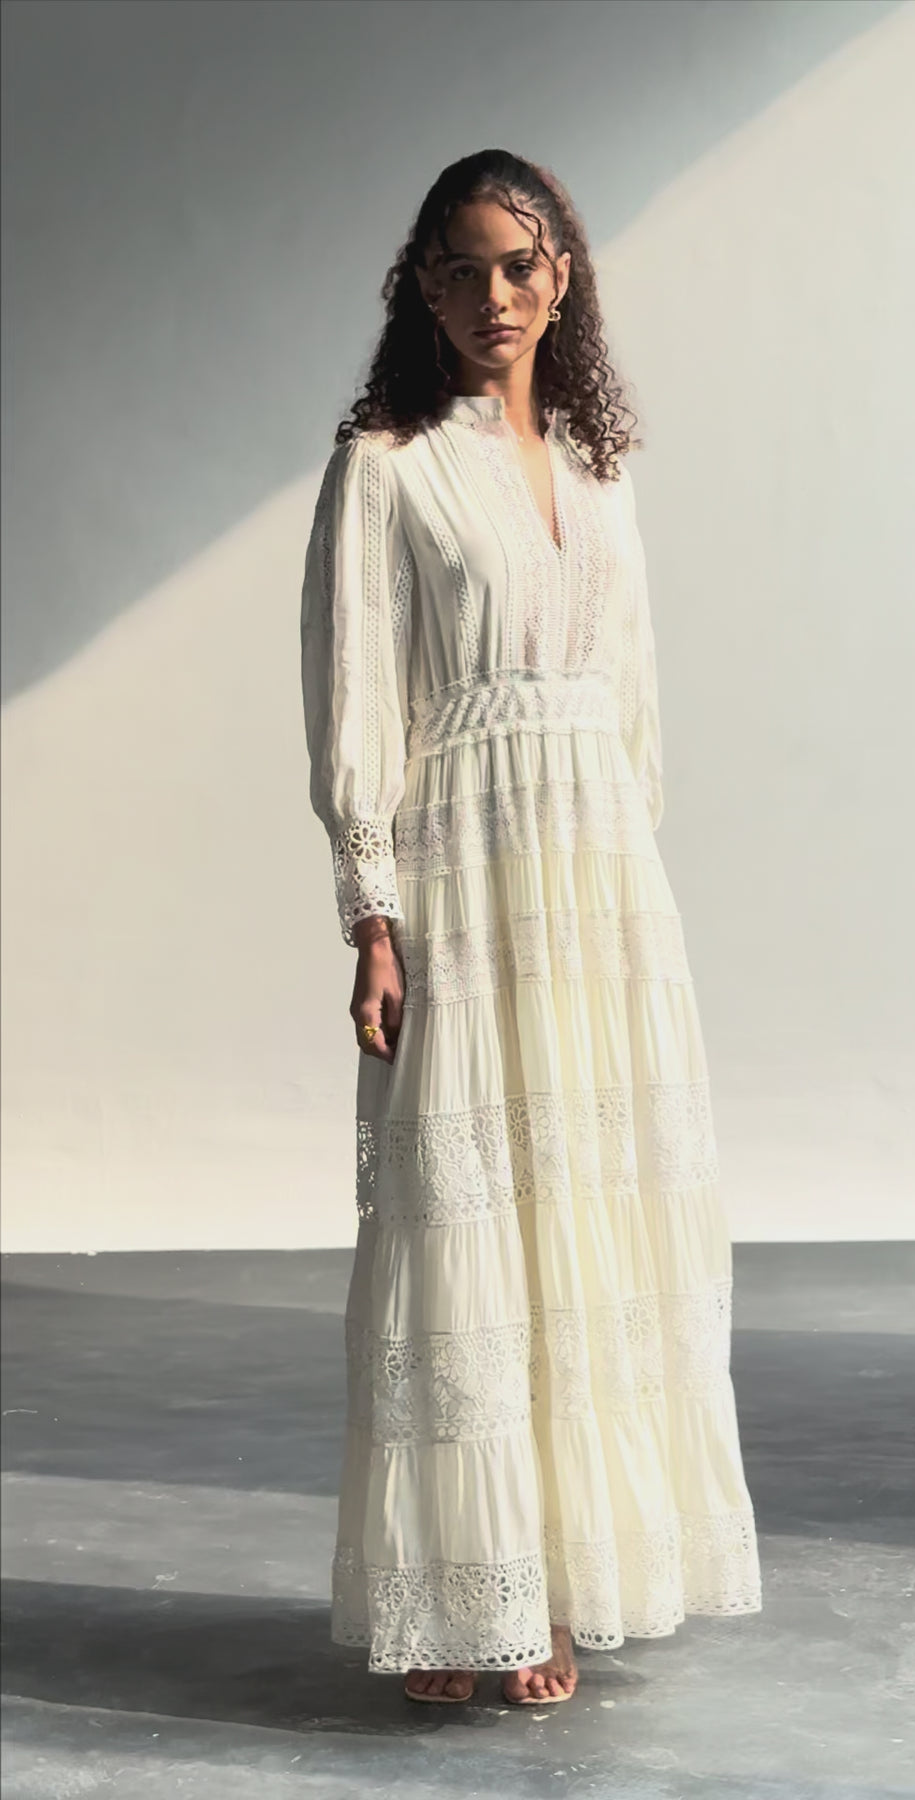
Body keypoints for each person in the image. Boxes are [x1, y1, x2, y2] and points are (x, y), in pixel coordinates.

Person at [299, 148, 762, 1709]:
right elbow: (356, 699)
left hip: (596, 881)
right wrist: (373, 914)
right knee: (469, 1220)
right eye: (461, 267)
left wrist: (630, 883)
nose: (493, 294)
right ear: (421, 289)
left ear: (562, 277)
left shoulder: (599, 465)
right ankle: (469, 1598)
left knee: (589, 1217)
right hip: (464, 868)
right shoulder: (387, 464)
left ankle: (561, 1579)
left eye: (520, 263)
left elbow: (633, 697)